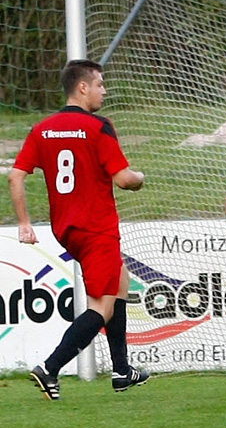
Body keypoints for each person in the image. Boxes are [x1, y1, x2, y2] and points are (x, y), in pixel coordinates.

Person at [9, 59, 149, 399]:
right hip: (96, 227)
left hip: (67, 228)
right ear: (82, 87)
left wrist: (25, 223)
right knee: (100, 307)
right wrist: (140, 178)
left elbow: (16, 176)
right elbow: (124, 179)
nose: (104, 90)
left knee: (120, 281)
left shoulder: (42, 128)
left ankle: (121, 370)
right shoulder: (99, 127)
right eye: (100, 84)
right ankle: (50, 368)